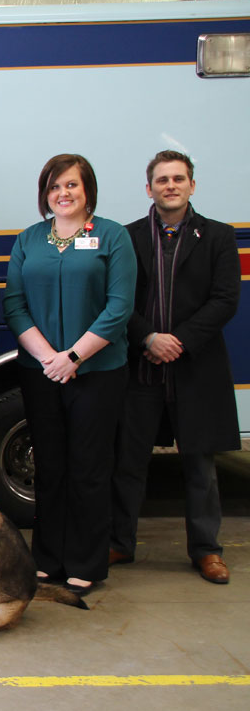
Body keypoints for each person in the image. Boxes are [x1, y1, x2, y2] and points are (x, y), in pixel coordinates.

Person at [4, 154, 135, 594]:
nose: (63, 194)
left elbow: (119, 308)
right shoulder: (29, 240)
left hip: (97, 372)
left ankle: (86, 561)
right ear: (45, 193)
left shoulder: (112, 237)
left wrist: (73, 357)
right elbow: (15, 305)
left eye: (72, 186)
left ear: (87, 190)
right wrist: (49, 359)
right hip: (41, 372)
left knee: (89, 468)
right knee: (51, 468)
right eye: (55, 186)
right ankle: (49, 557)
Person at [111, 151, 240, 584]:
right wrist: (147, 337)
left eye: (178, 179)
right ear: (148, 188)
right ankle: (119, 543)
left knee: (200, 465)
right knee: (129, 462)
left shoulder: (219, 237)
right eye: (162, 179)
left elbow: (225, 300)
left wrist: (177, 342)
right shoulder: (126, 238)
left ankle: (207, 550)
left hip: (195, 369)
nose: (170, 185)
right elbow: (117, 301)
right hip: (141, 368)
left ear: (192, 186)